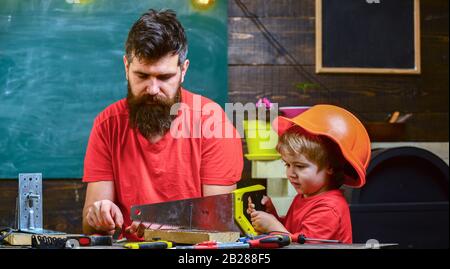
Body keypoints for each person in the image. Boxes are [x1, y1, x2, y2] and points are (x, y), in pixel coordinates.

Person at [82, 9, 243, 240]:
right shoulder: (107, 125)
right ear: (126, 67)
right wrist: (99, 215)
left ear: (183, 71)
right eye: (142, 76)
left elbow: (221, 228)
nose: (153, 89)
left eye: (165, 78)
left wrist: (169, 231)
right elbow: (90, 223)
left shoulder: (213, 122)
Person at [247, 105, 371, 243]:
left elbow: (304, 246)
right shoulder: (304, 197)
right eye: (287, 164)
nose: (290, 173)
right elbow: (295, 233)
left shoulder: (328, 209)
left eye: (300, 166)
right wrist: (272, 215)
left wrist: (272, 227)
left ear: (330, 167)